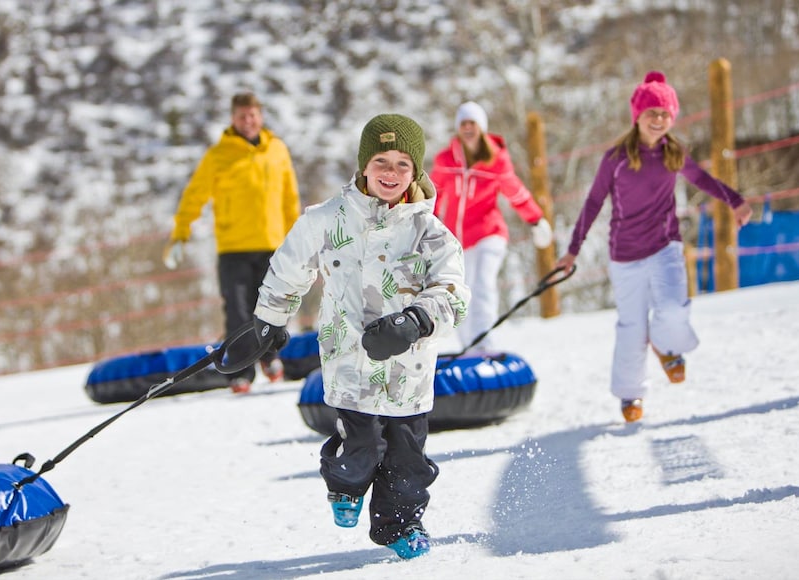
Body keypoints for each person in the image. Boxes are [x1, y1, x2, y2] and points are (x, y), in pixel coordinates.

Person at [249, 114, 470, 559]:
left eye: (403, 164)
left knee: (408, 461)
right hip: (349, 361)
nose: (391, 173)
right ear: (364, 165)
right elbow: (289, 269)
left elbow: (453, 294)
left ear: (416, 172)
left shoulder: (431, 233)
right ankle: (345, 485)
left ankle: (400, 524)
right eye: (381, 161)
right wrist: (270, 320)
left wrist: (416, 321)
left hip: (408, 372)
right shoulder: (327, 220)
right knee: (360, 448)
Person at [555, 71, 753, 423]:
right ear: (638, 116)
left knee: (674, 309)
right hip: (625, 255)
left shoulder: (674, 153)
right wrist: (573, 250)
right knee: (631, 327)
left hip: (665, 247)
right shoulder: (616, 159)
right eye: (652, 113)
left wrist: (734, 201)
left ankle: (666, 345)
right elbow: (593, 202)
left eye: (665, 114)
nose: (659, 120)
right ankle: (631, 394)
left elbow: (702, 179)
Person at [163, 92, 301, 394]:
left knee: (272, 306)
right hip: (233, 247)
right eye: (241, 116)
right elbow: (195, 195)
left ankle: (270, 357)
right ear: (233, 119)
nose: (247, 121)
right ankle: (240, 372)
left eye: (252, 115)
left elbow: (289, 197)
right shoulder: (218, 155)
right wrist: (181, 233)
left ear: (260, 116)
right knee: (238, 312)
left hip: (272, 243)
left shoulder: (277, 150)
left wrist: (298, 237)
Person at [430, 101, 553, 353]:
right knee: (459, 291)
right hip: (456, 240)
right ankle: (468, 348)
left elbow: (515, 192)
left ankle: (484, 343)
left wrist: (536, 220)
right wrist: (425, 226)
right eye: (463, 123)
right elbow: (434, 195)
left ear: (482, 127)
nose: (468, 128)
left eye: (472, 123)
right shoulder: (445, 160)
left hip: (489, 233)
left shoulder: (496, 160)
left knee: (483, 285)